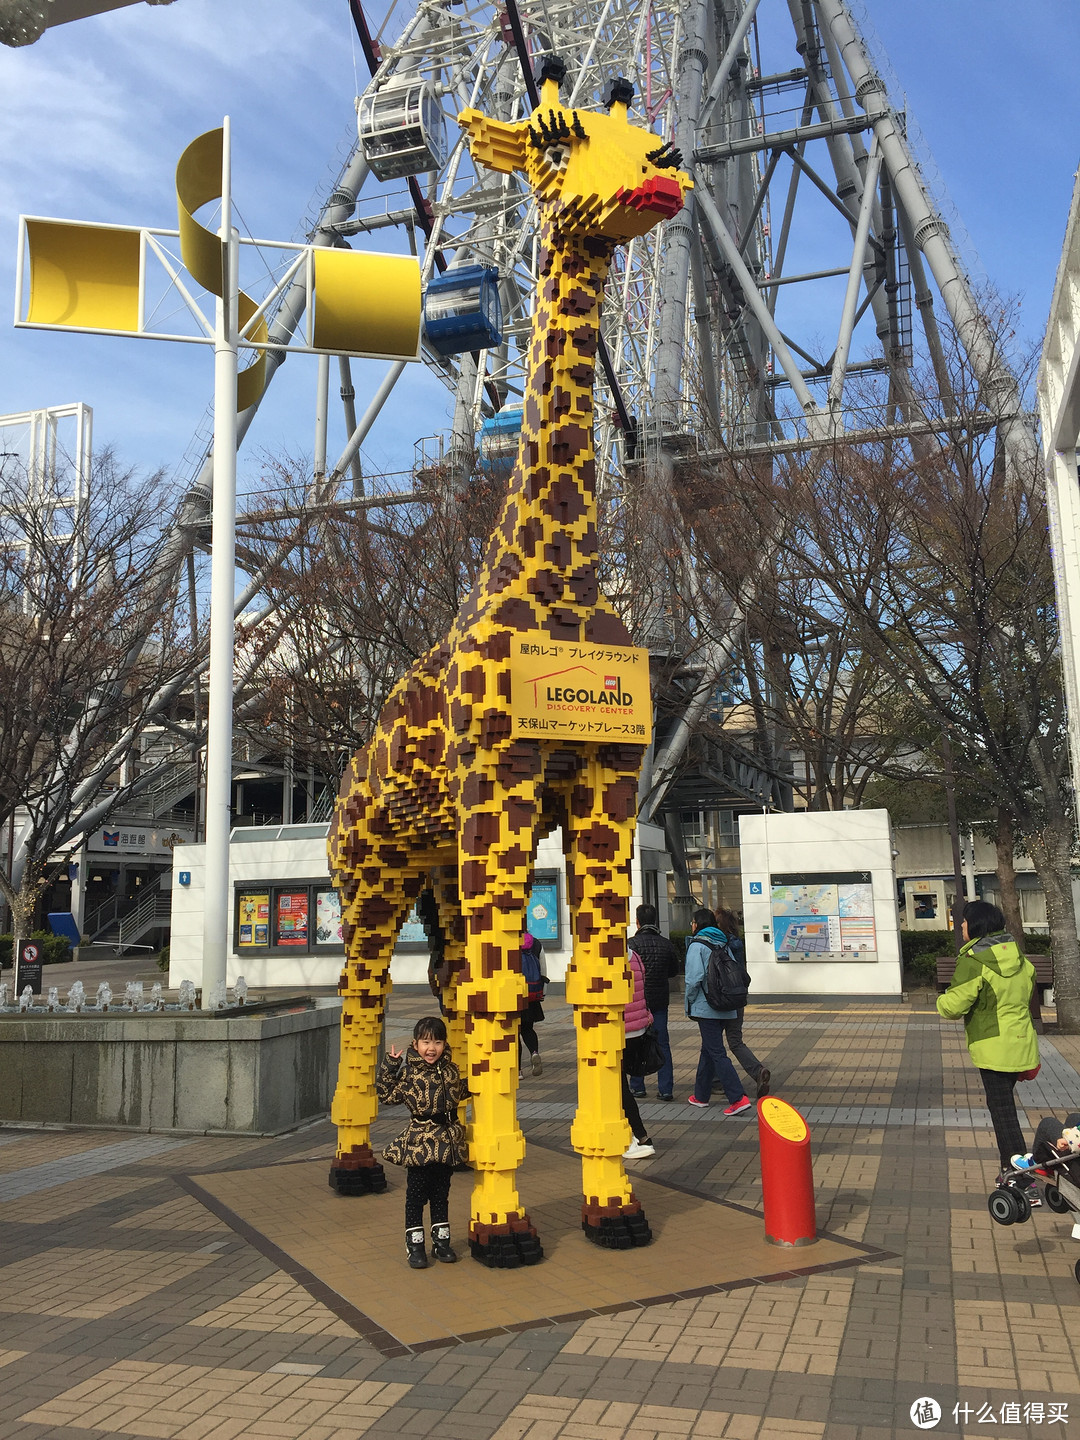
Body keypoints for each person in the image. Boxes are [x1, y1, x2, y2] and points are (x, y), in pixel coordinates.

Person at [937, 899, 1039, 1180]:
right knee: (1004, 1105)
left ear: (977, 925)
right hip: (1021, 1042)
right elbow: (1028, 989)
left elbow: (953, 1007)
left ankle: (1016, 1172)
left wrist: (942, 1000)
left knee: (1002, 1109)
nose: (961, 926)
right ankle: (1017, 1168)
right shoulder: (1019, 958)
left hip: (993, 1048)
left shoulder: (974, 962)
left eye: (965, 921)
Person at [376, 1015, 469, 1269]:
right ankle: (415, 1246)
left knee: (441, 1194)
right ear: (415, 1044)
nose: (432, 1048)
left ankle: (441, 1243)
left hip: (447, 1141)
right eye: (426, 1042)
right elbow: (386, 1095)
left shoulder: (450, 1070)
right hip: (419, 1143)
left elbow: (462, 1091)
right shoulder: (409, 1073)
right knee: (416, 1196)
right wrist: (390, 1066)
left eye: (438, 1042)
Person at [684, 907, 754, 1115]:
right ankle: (701, 1095)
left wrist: (688, 1000)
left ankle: (737, 1097)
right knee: (708, 1050)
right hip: (725, 1005)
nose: (692, 925)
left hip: (707, 1008)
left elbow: (694, 978)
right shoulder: (723, 942)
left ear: (698, 924)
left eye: (693, 922)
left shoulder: (697, 945)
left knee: (716, 1052)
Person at [714, 907, 770, 1101]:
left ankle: (716, 1081)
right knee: (735, 1040)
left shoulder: (718, 944)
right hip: (738, 997)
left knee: (712, 1043)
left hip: (721, 999)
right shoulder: (737, 943)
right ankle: (758, 1071)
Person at [626, 903, 681, 1101]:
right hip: (659, 1001)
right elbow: (674, 971)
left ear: (638, 921)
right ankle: (666, 1089)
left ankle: (637, 1086)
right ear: (655, 920)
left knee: (636, 1042)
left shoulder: (631, 945)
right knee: (662, 1043)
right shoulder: (666, 944)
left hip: (637, 1001)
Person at [622, 943, 656, 1158]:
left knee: (616, 1088)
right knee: (619, 1085)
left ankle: (639, 1136)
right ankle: (635, 1135)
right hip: (638, 1030)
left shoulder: (607, 958)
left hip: (618, 1031)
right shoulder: (634, 955)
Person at [518, 932, 547, 1076]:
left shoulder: (507, 940)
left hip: (514, 995)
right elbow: (543, 969)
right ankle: (534, 1053)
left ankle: (517, 1070)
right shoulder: (535, 943)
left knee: (512, 1033)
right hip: (532, 994)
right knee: (528, 1029)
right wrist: (542, 991)